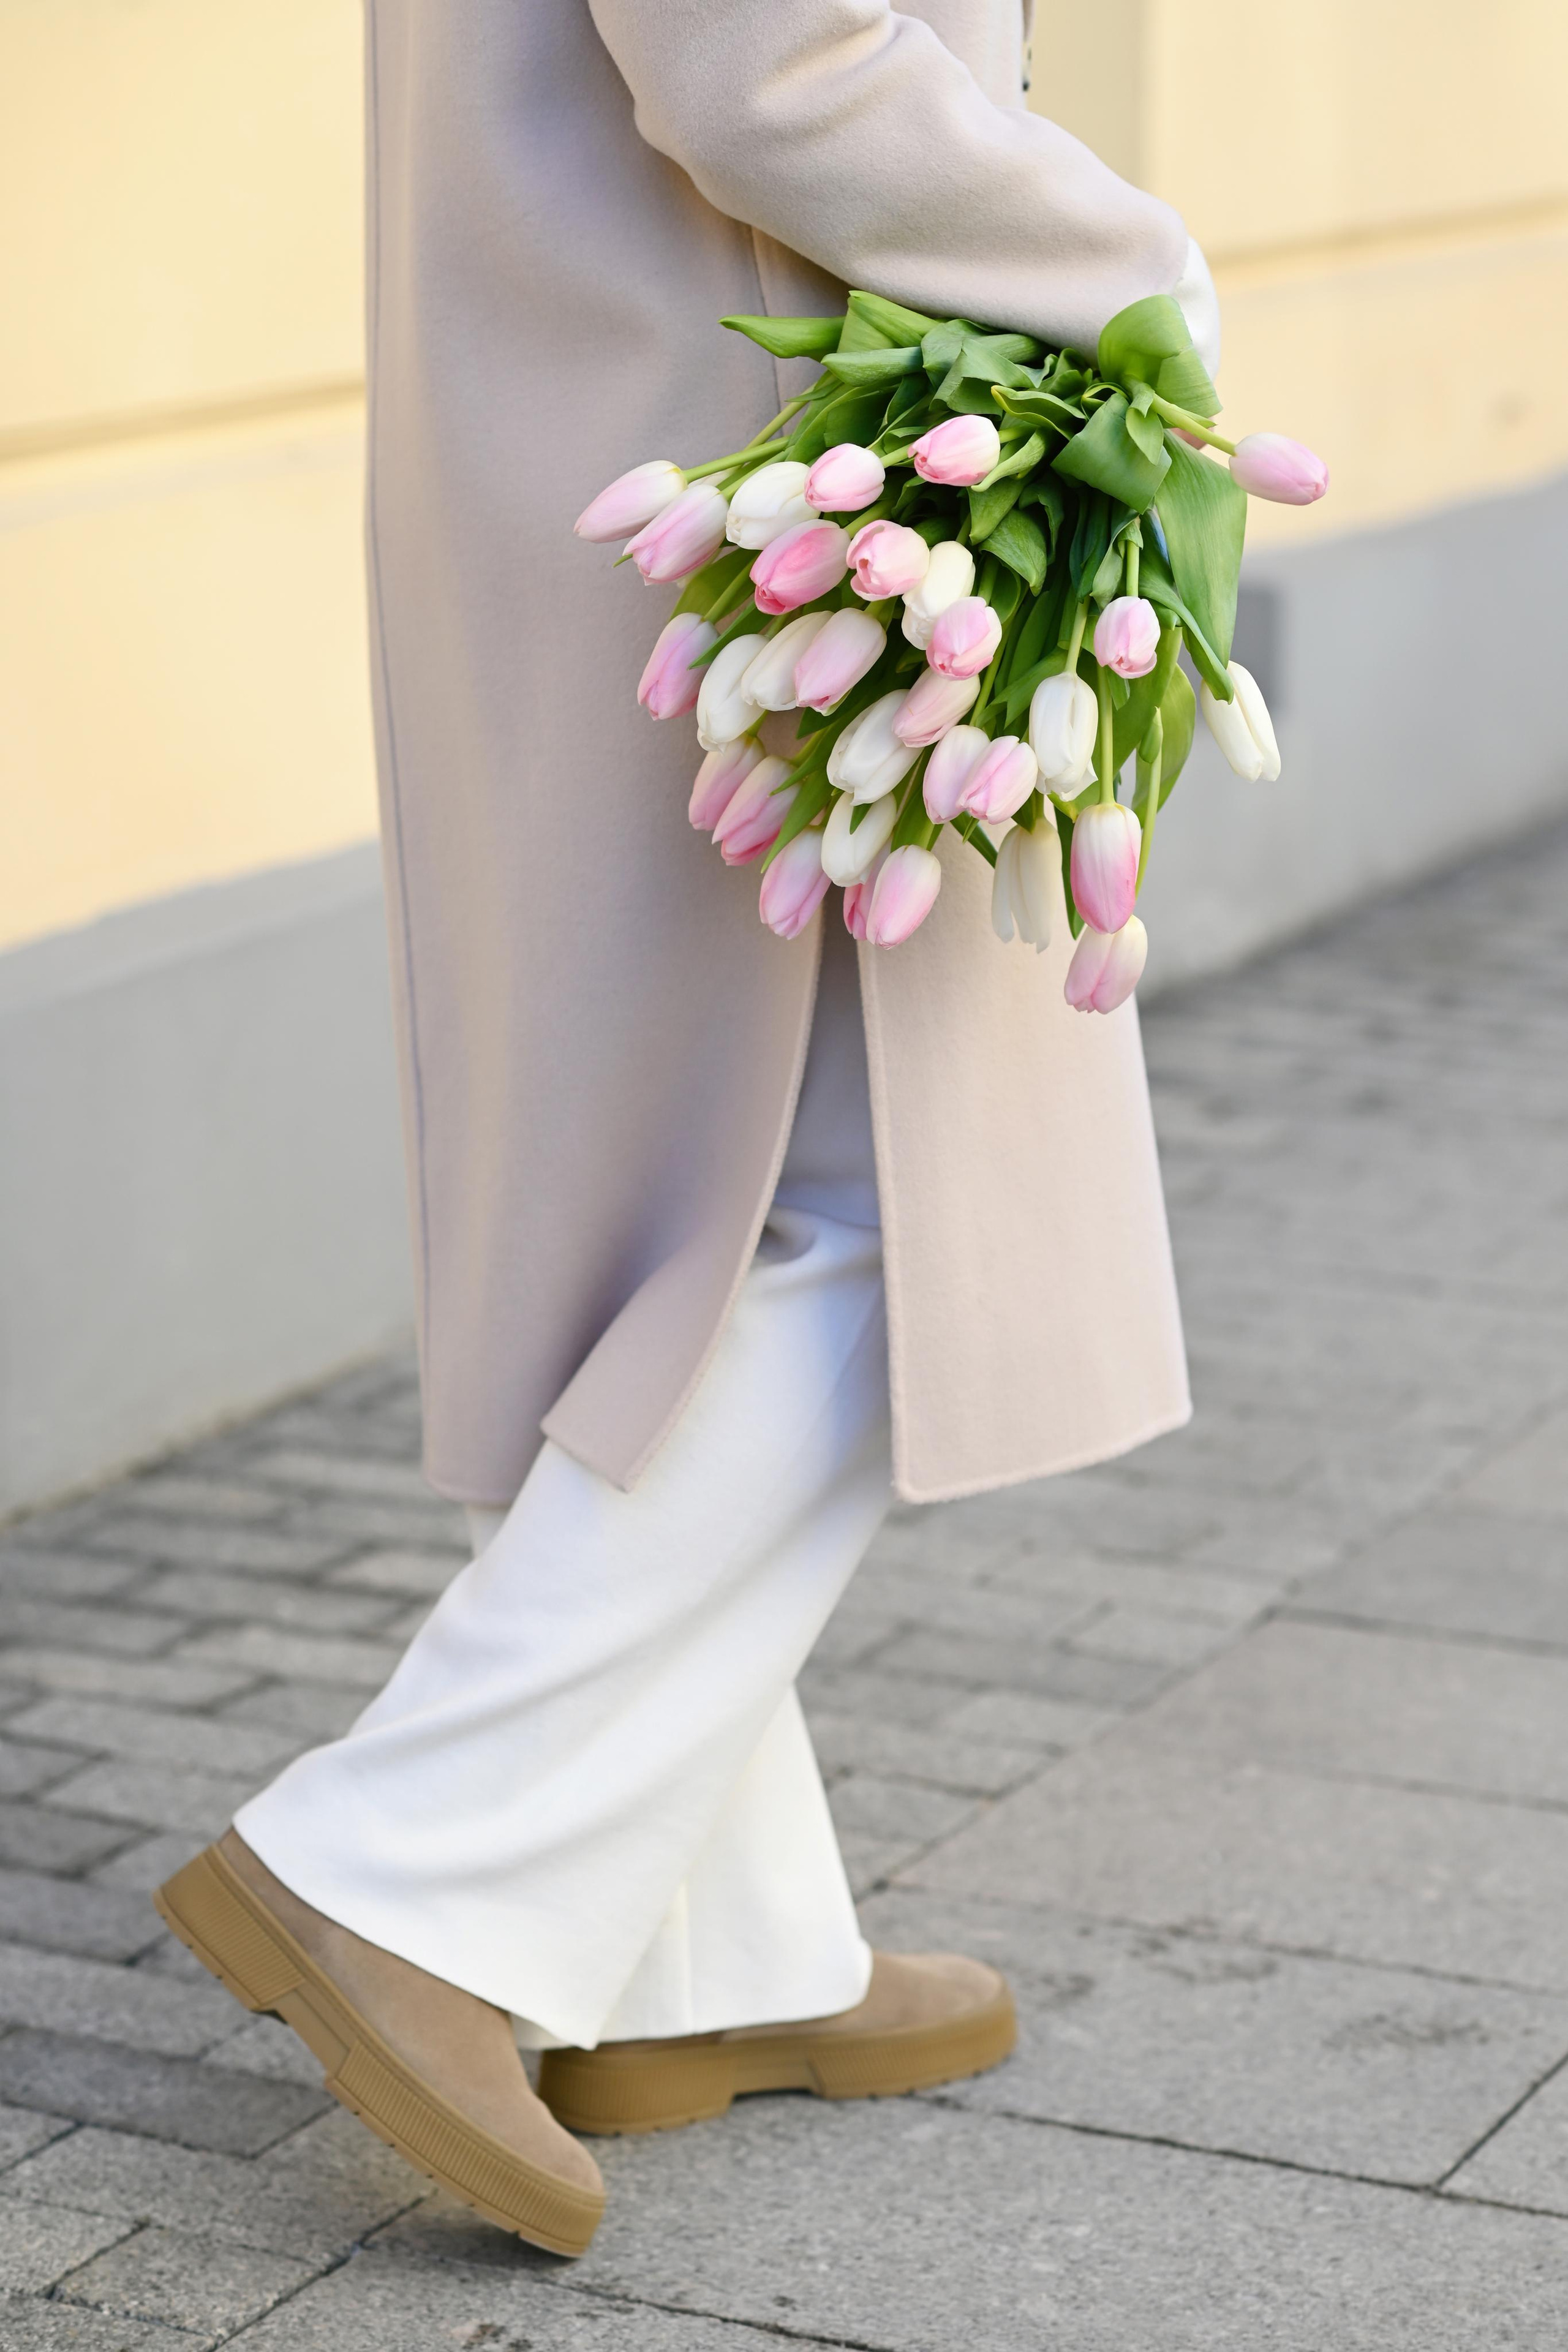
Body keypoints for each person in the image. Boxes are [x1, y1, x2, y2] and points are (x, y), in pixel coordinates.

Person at [156, 0, 1213, 2257]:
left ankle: (689, 1962)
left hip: (634, 405)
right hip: (756, 448)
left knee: (671, 1205)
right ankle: (411, 1876)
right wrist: (1126, 263)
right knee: (858, 1219)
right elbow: (776, 58)